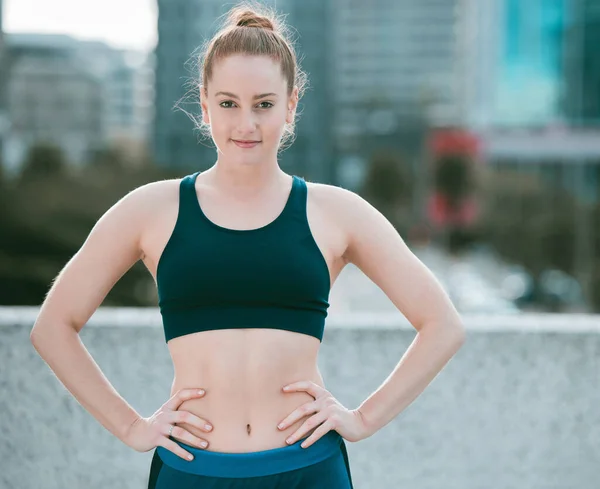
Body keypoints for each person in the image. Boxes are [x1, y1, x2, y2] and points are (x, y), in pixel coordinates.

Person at [29, 2, 466, 488]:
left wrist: (363, 419)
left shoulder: (336, 212)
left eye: (264, 104)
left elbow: (442, 325)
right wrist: (131, 426)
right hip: (193, 471)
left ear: (291, 104)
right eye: (228, 103)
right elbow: (52, 327)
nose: (246, 125)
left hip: (307, 470)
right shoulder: (151, 209)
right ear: (204, 103)